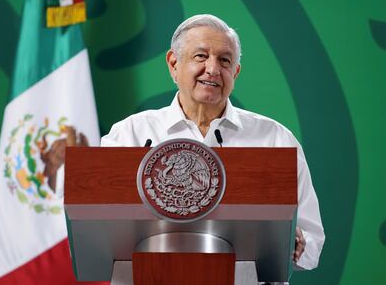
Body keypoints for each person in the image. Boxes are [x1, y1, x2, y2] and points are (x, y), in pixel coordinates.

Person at [101, 14, 325, 270]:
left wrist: (295, 244)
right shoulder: (131, 135)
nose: (213, 69)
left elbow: (312, 242)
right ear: (174, 63)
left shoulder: (274, 139)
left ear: (235, 72)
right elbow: (101, 232)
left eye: (225, 60)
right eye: (201, 56)